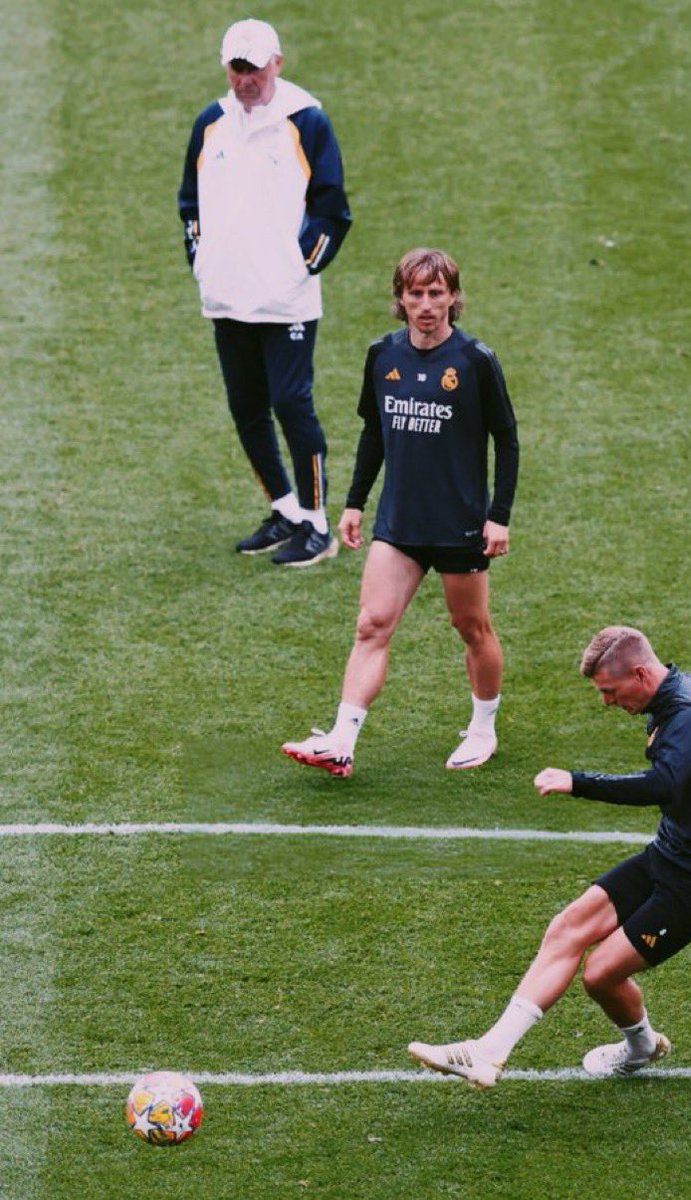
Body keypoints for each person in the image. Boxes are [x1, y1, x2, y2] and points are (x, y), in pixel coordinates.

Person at [409, 625, 691, 1084]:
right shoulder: (679, 692)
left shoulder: (688, 710)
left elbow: (663, 784)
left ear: (639, 673)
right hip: (671, 854)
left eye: (610, 691)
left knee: (600, 976)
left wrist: (578, 781)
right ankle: (487, 1052)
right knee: (568, 927)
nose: (607, 702)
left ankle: (640, 1047)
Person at [281, 247, 519, 774]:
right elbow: (374, 433)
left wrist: (497, 515)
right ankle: (341, 739)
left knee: (472, 627)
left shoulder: (476, 360)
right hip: (400, 524)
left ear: (454, 298)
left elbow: (506, 438)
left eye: (437, 293)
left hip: (458, 525)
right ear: (401, 299)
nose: (427, 304)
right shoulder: (382, 356)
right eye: (416, 294)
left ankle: (483, 728)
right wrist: (354, 503)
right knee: (371, 625)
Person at [178, 18, 352, 566]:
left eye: (254, 67)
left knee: (291, 404)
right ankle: (285, 510)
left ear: (277, 62)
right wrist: (204, 263)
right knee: (247, 407)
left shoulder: (306, 121)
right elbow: (191, 203)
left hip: (285, 300)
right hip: (228, 297)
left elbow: (332, 208)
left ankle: (318, 523)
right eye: (237, 67)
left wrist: (300, 267)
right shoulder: (211, 123)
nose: (245, 78)